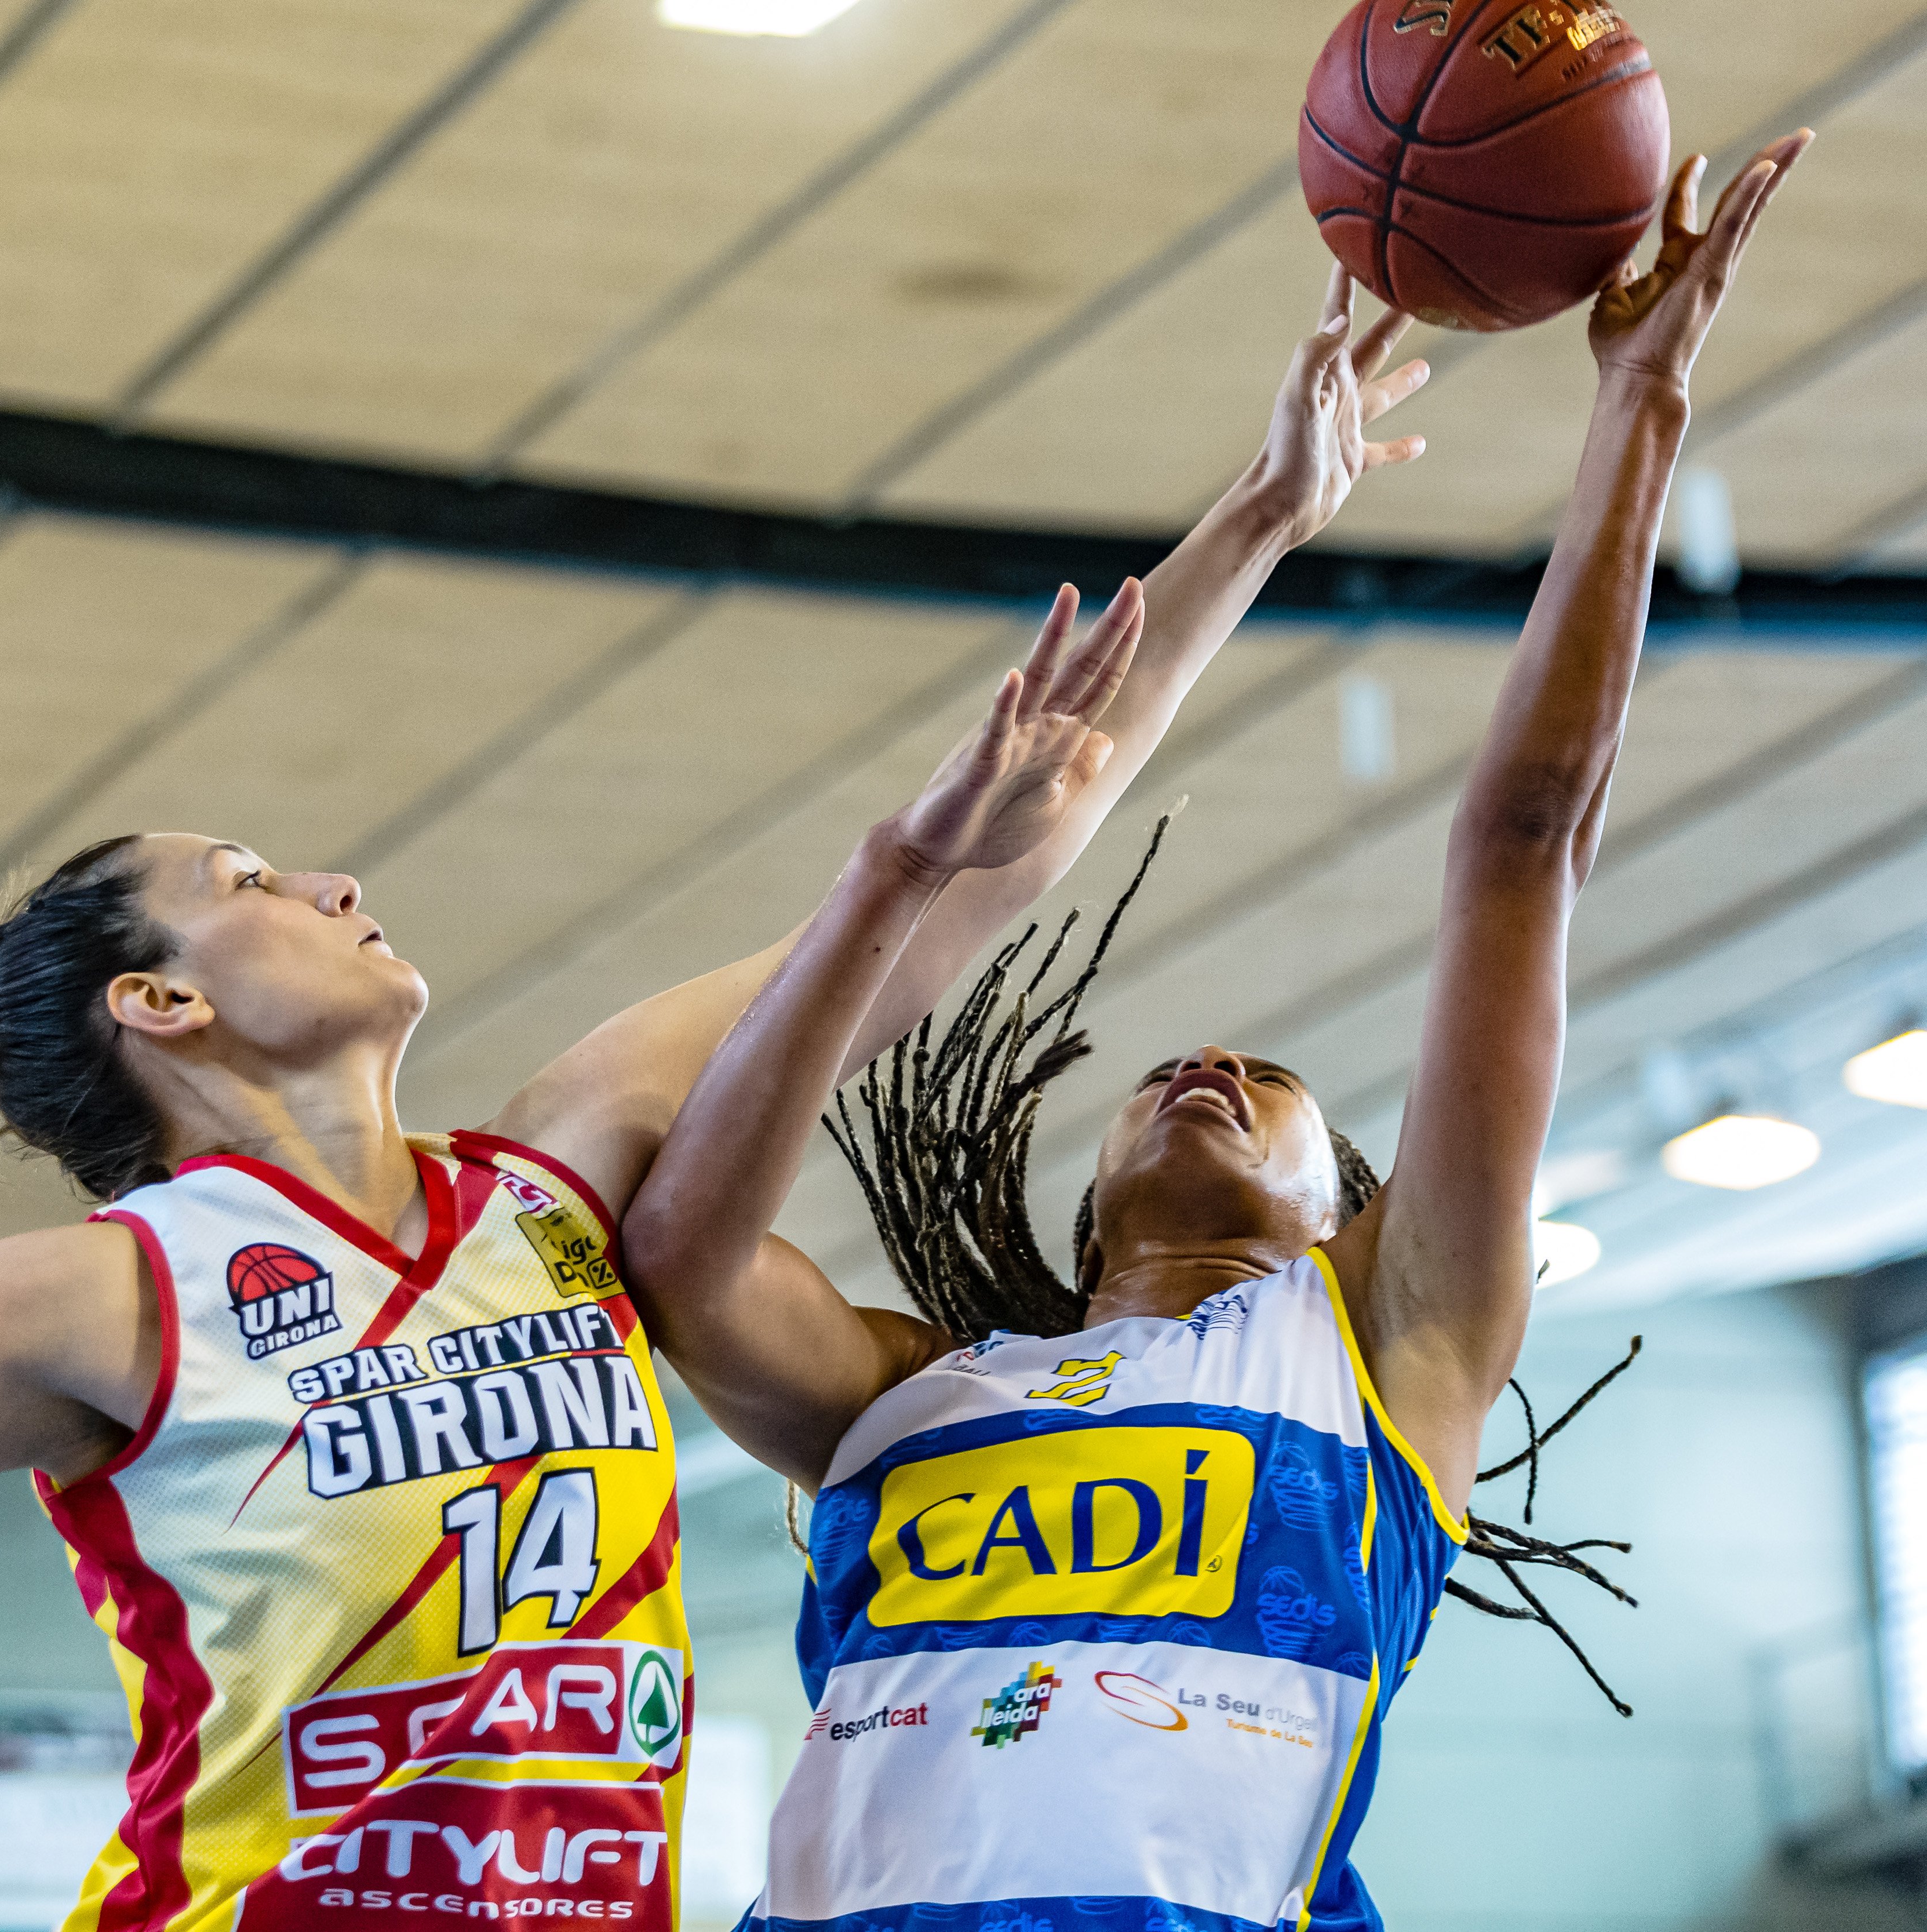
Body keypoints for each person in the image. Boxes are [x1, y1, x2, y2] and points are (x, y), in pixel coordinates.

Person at [0, 278, 1431, 1931]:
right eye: (249, 881)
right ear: (160, 1002)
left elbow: (971, 882)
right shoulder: (105, 1300)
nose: (329, 883)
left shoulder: (558, 1175)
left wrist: (1258, 523)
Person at [616, 134, 1811, 1932]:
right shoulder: (911, 1391)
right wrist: (896, 875)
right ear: (1090, 1203)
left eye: (1275, 1088)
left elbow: (1522, 841)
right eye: (1178, 1076)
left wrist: (1643, 402)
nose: (1213, 1069)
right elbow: (682, 1256)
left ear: (1353, 1215)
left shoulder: (1386, 1348)